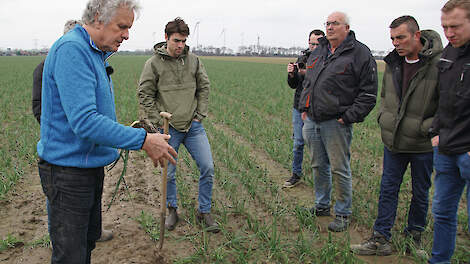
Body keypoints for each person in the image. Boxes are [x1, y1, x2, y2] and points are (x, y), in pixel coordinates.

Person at [37, 1, 177, 263]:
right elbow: (86, 122)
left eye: (129, 27)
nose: (126, 34)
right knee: (71, 256)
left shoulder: (94, 53)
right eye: (122, 26)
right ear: (98, 18)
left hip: (87, 168)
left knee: (86, 246)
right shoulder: (72, 50)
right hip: (68, 175)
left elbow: (95, 116)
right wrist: (143, 140)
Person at [350, 16, 442, 256]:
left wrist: (427, 128)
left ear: (416, 34)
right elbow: (384, 97)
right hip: (393, 141)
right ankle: (381, 239)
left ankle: (414, 239)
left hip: (422, 143)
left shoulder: (439, 64)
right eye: (392, 38)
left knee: (420, 193)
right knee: (388, 189)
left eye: (400, 37)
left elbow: (447, 106)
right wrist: (383, 117)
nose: (396, 43)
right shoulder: (393, 62)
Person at [33, 19, 115, 243]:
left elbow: (92, 112)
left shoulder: (95, 61)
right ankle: (58, 238)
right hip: (66, 161)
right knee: (68, 241)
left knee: (85, 236)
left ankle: (91, 233)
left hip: (88, 156)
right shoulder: (58, 60)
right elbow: (43, 108)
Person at [137, 18, 219, 233]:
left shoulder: (194, 61)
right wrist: (156, 120)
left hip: (193, 127)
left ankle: (204, 210)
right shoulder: (153, 64)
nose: (180, 45)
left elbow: (204, 87)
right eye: (176, 41)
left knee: (207, 167)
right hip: (167, 129)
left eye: (183, 41)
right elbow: (144, 94)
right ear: (166, 38)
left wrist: (200, 115)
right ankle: (172, 210)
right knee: (169, 174)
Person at [298, 11, 378, 232]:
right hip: (312, 120)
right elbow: (309, 82)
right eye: (328, 24)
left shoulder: (359, 53)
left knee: (339, 168)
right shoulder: (320, 51)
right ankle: (322, 205)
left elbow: (368, 93)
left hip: (336, 122)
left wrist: (348, 117)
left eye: (335, 23)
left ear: (347, 28)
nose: (330, 27)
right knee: (317, 165)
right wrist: (304, 108)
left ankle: (343, 212)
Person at [428, 0, 470, 262]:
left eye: (455, 26)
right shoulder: (448, 53)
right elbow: (441, 98)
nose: (449, 33)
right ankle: (439, 259)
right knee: (442, 212)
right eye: (445, 27)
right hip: (445, 147)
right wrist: (435, 132)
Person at [283, 29, 325, 188]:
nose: (313, 46)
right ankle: (296, 174)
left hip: (318, 108)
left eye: (317, 43)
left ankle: (320, 180)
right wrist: (292, 74)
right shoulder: (302, 58)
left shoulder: (327, 59)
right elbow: (294, 85)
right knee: (298, 143)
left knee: (318, 147)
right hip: (299, 106)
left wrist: (308, 73)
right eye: (311, 43)